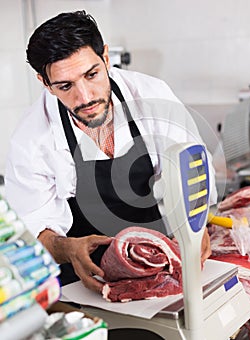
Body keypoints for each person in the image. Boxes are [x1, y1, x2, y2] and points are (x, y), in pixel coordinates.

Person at [5, 11, 217, 295]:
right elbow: (33, 230)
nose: (85, 97)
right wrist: (65, 249)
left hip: (159, 259)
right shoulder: (31, 140)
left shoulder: (151, 96)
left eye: (92, 75)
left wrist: (196, 225)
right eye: (65, 86)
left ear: (105, 58)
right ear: (45, 83)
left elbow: (191, 167)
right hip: (85, 277)